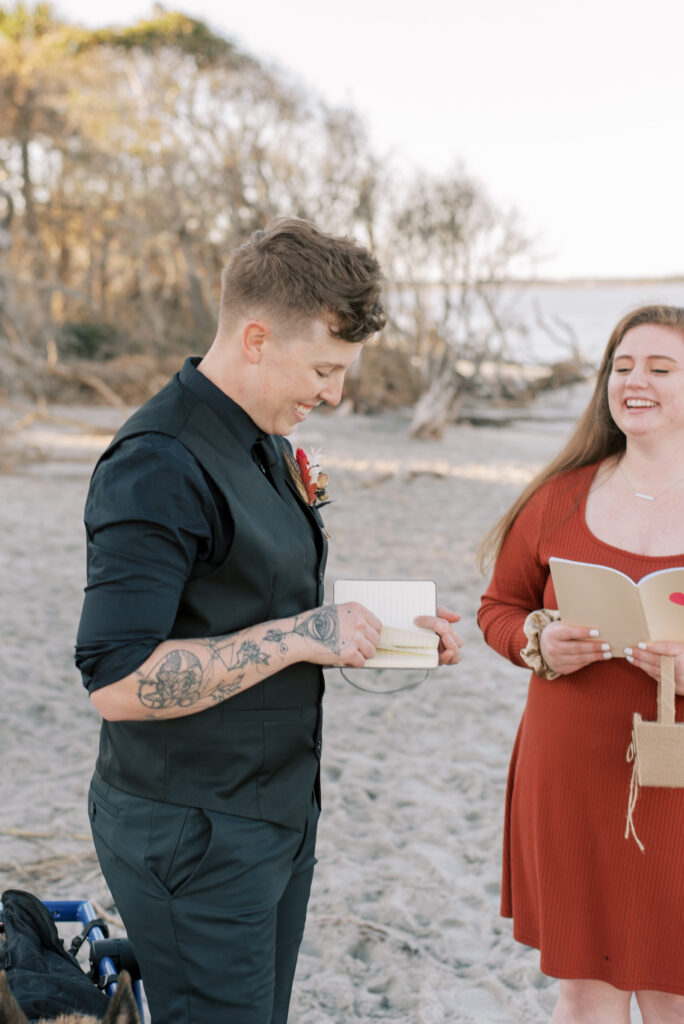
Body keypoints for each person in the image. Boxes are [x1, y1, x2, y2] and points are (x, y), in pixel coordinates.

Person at [75, 218, 462, 1024]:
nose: (334, 393)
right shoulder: (157, 464)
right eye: (325, 368)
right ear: (255, 337)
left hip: (277, 808)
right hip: (195, 833)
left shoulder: (265, 440)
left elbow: (256, 600)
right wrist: (303, 636)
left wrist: (374, 633)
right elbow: (115, 681)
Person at [477, 304, 684, 1024]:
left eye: (661, 368)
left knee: (673, 989)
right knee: (585, 992)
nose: (637, 381)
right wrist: (539, 640)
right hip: (569, 771)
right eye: (622, 367)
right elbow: (497, 607)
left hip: (675, 778)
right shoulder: (559, 496)